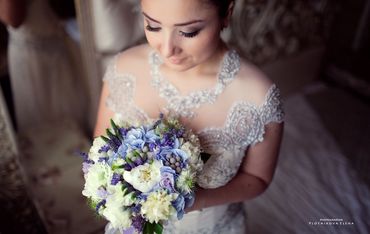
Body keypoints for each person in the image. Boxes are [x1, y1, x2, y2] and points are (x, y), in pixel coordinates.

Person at [95, 0, 284, 233]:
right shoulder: (124, 70)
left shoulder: (259, 96)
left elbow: (258, 179)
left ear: (227, 13)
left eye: (188, 32)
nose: (167, 49)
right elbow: (99, 154)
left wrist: (191, 200)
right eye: (153, 26)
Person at [0, 0, 87, 133]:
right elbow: (13, 18)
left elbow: (13, 18)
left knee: (64, 122)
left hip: (47, 50)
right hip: (39, 53)